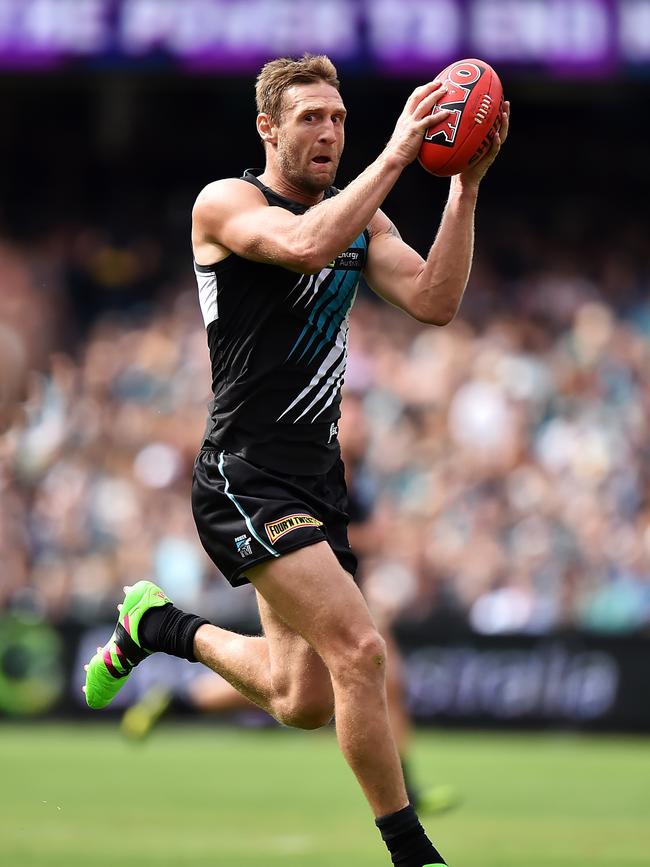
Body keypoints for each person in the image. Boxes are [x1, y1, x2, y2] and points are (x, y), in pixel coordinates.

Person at [84, 53, 509, 867]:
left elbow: (435, 300)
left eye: (340, 119)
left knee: (301, 696)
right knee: (362, 649)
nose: (330, 132)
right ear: (268, 127)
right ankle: (414, 853)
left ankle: (155, 624)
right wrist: (395, 154)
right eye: (311, 118)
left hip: (316, 479)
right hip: (244, 471)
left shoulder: (362, 220)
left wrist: (464, 187)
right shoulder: (230, 203)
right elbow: (309, 245)